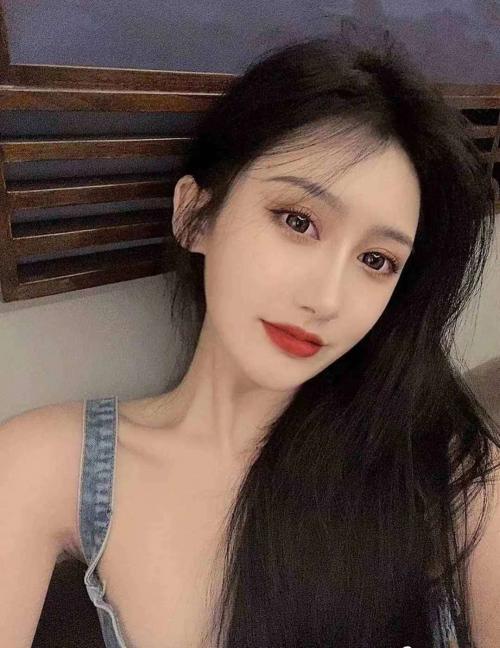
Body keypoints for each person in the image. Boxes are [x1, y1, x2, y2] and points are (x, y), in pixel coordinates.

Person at [2, 26, 499, 648]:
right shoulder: (46, 464)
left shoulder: (453, 472)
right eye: (298, 221)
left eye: (376, 261)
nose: (326, 300)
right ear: (195, 216)